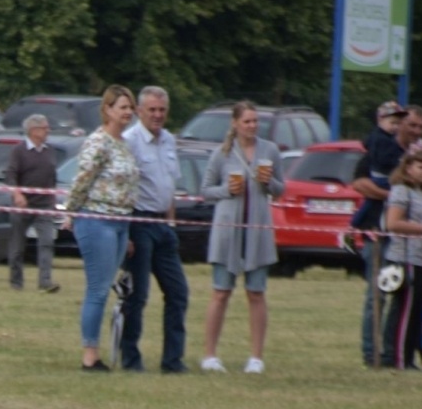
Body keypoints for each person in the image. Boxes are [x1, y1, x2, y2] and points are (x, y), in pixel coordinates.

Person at [198, 101, 284, 374]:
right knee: (220, 292)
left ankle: (256, 357)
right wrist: (226, 190)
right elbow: (205, 190)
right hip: (227, 231)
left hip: (257, 230)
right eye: (247, 121)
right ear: (235, 123)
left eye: (255, 121)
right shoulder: (221, 154)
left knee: (256, 293)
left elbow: (281, 190)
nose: (252, 126)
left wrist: (268, 182)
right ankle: (210, 355)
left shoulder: (269, 150)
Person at [64, 84, 138, 372]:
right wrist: (70, 213)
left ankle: (96, 351)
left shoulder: (124, 144)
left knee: (105, 289)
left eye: (130, 108)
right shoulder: (98, 142)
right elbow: (82, 180)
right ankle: (89, 356)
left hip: (121, 223)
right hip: (96, 220)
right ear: (107, 109)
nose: (128, 113)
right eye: (122, 107)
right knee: (97, 290)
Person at [118, 86, 188, 372]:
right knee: (138, 295)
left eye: (162, 110)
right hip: (138, 223)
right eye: (152, 110)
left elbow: (169, 187)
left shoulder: (169, 141)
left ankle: (173, 361)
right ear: (139, 112)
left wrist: (170, 225)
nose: (158, 115)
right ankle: (130, 359)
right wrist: (126, 233)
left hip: (162, 225)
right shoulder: (130, 141)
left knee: (178, 292)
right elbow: (121, 189)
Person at [352, 106, 422, 365]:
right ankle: (371, 353)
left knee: (402, 296)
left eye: (420, 127)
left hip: (409, 239)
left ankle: (392, 354)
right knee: (378, 294)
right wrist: (398, 197)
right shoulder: (379, 150)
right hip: (378, 232)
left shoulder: (421, 156)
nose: (415, 131)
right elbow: (360, 184)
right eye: (410, 125)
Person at [380, 148, 422, 371]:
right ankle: (396, 358)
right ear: (407, 167)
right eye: (420, 167)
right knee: (404, 309)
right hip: (405, 258)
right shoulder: (401, 191)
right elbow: (392, 224)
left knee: (415, 311)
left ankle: (407, 357)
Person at [3, 113, 60, 294]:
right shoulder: (18, 151)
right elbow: (10, 174)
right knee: (18, 246)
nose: (48, 131)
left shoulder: (49, 151)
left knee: (46, 243)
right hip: (23, 205)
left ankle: (45, 282)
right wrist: (17, 193)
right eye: (45, 127)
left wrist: (52, 199)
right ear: (33, 130)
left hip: (44, 206)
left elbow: (53, 177)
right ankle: (16, 283)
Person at [350, 101, 405, 234]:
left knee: (371, 201)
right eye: (392, 123)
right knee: (374, 200)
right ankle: (357, 222)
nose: (395, 127)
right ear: (380, 120)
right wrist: (399, 160)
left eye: (398, 124)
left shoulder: (379, 138)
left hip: (380, 174)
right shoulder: (383, 140)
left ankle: (356, 222)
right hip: (383, 176)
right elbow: (383, 159)